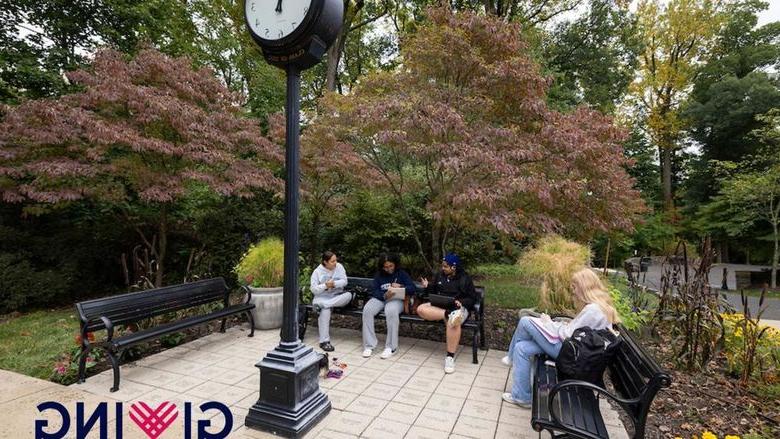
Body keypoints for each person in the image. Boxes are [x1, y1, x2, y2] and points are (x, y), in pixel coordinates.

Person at [501, 268, 620, 408]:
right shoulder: (598, 307)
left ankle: (510, 358)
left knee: (526, 321)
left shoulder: (593, 310)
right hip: (578, 353)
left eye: (574, 288)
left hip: (571, 355)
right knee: (521, 348)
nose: (573, 292)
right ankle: (522, 397)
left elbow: (566, 335)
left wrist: (550, 324)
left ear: (584, 287)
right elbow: (576, 332)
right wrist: (559, 325)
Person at [416, 253, 477, 374]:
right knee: (420, 309)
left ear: (453, 267)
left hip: (458, 308)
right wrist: (427, 286)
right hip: (442, 307)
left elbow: (472, 298)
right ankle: (447, 314)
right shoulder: (440, 275)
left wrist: (461, 302)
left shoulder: (465, 278)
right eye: (442, 266)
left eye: (445, 266)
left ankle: (450, 357)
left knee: (453, 321)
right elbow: (433, 290)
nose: (442, 268)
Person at [362, 253, 416, 359]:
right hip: (381, 298)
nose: (388, 269)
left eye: (391, 266)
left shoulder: (401, 273)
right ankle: (369, 345)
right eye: (386, 267)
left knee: (391, 310)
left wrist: (401, 286)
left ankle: (391, 347)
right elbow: (374, 291)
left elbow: (412, 288)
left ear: (395, 264)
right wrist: (384, 295)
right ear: (382, 267)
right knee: (367, 310)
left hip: (396, 300)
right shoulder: (379, 275)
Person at [310, 251, 350, 352]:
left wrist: (334, 284)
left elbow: (345, 281)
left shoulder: (339, 267)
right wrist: (325, 286)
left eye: (335, 260)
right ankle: (324, 341)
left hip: (337, 297)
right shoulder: (317, 272)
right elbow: (313, 289)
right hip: (322, 297)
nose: (335, 263)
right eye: (332, 261)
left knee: (349, 295)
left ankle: (323, 305)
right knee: (325, 310)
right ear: (325, 262)